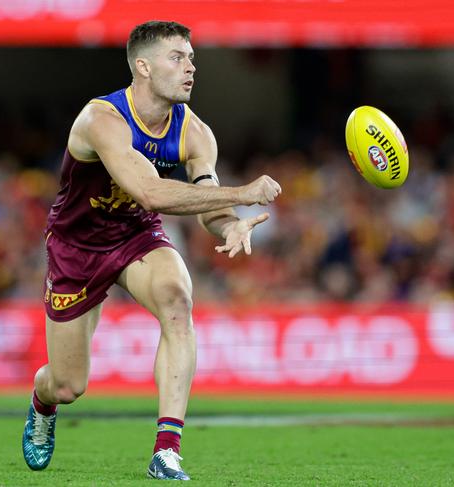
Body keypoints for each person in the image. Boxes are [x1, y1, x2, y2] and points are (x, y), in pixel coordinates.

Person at [21, 20, 282, 481]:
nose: (191, 68)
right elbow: (152, 193)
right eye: (177, 57)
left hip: (136, 236)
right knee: (67, 385)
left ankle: (167, 449)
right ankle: (42, 404)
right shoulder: (101, 119)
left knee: (177, 298)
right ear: (142, 66)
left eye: (192, 58)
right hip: (77, 246)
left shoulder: (195, 132)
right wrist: (243, 193)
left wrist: (230, 224)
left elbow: (205, 201)